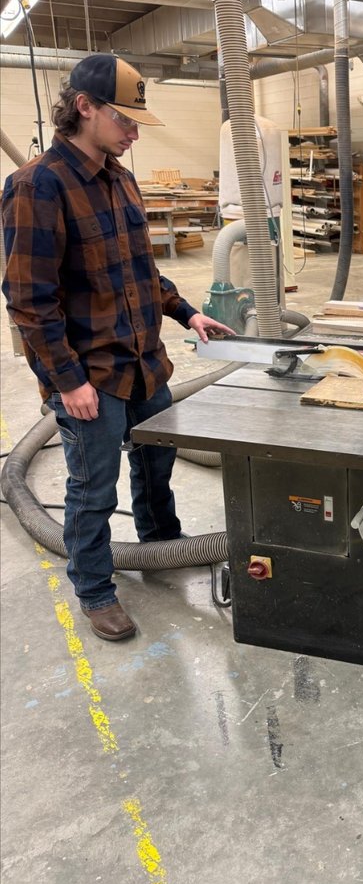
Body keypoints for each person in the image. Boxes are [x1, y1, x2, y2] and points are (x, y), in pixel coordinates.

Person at [2, 53, 235, 642]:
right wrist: (68, 381)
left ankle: (161, 546)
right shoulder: (37, 186)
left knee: (157, 468)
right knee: (93, 490)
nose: (135, 132)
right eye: (125, 119)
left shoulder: (121, 179)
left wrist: (186, 312)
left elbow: (141, 270)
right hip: (92, 377)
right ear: (84, 107)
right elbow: (29, 299)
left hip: (144, 364)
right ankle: (95, 589)